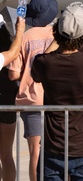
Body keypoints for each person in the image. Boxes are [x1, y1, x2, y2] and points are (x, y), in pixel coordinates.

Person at [31, 2, 83, 181]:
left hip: (53, 147)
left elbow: (43, 59)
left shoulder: (44, 63)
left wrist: (58, 37)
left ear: (57, 31)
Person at [8, 0, 58, 181]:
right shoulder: (57, 36)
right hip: (56, 99)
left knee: (35, 153)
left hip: (31, 101)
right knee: (60, 152)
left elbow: (13, 74)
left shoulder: (24, 38)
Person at [0, 15, 25, 181]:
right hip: (6, 99)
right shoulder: (6, 41)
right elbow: (13, 52)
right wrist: (20, 31)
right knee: (7, 155)